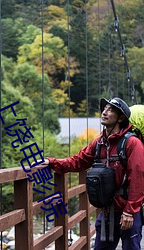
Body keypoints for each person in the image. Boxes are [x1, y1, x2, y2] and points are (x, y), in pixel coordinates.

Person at [36, 97, 144, 250]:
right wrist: (52, 162)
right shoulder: (99, 143)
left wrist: (130, 212)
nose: (104, 112)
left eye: (110, 110)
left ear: (120, 118)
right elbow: (78, 161)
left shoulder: (133, 144)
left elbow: (138, 179)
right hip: (107, 211)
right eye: (104, 109)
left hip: (127, 212)